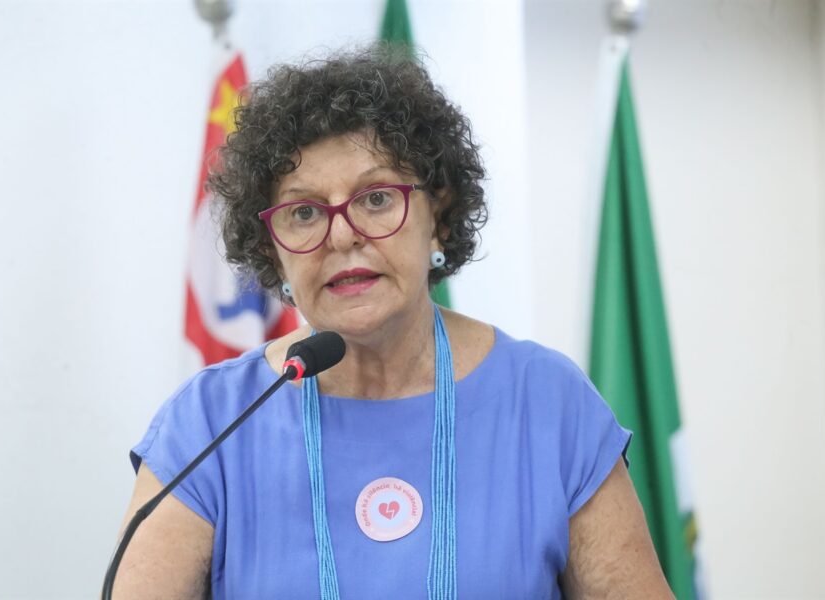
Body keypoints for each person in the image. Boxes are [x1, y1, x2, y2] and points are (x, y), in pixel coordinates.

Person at [112, 46, 673, 599]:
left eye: (376, 198)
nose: (341, 235)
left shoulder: (548, 402)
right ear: (271, 250)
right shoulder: (210, 423)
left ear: (439, 218)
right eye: (304, 212)